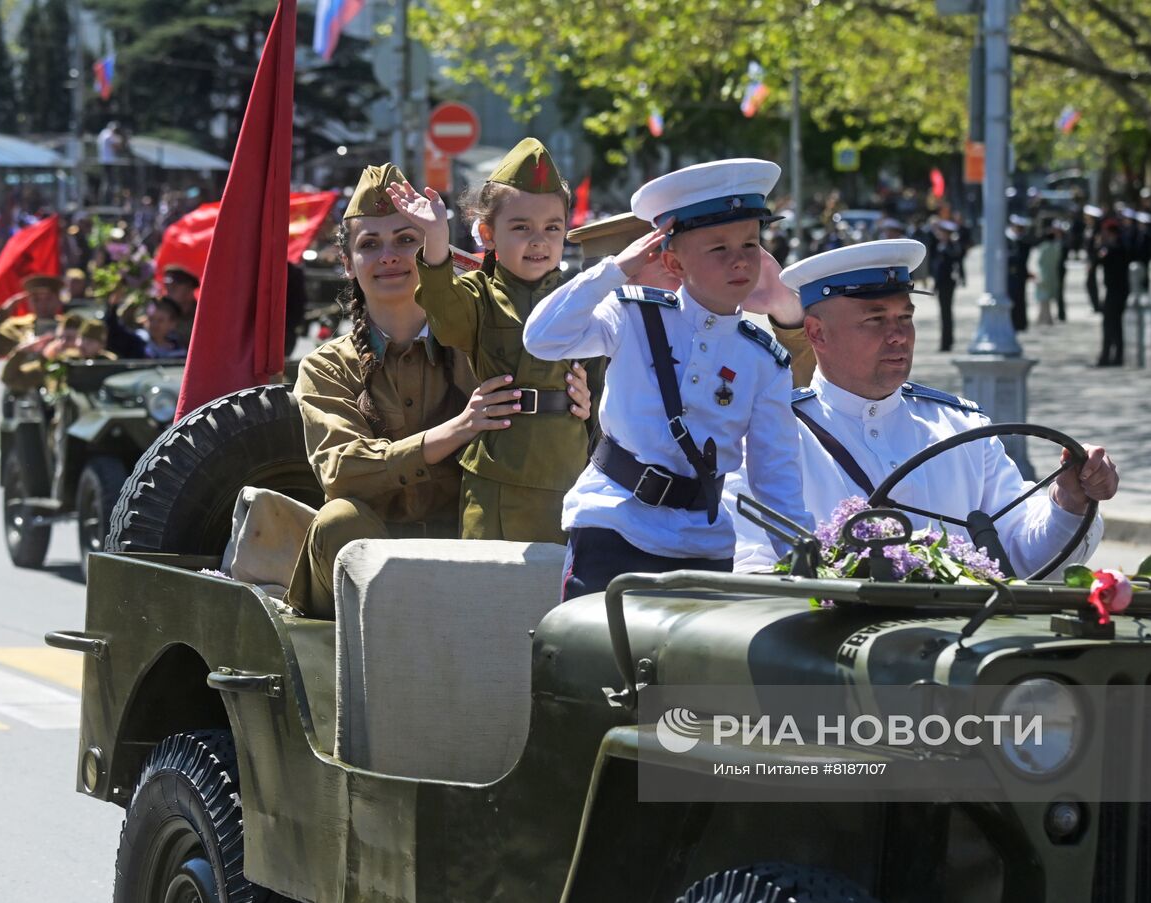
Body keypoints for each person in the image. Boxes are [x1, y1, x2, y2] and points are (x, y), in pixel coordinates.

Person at [284, 163, 592, 619]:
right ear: (348, 264)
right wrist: (457, 430)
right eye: (370, 245)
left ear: (431, 247)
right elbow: (343, 472)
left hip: (472, 539)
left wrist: (577, 403)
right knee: (337, 520)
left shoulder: (481, 341)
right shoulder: (328, 367)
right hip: (375, 558)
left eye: (407, 240)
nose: (390, 256)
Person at [732, 239, 1116, 578]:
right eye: (875, 319)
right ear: (816, 332)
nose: (898, 335)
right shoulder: (770, 438)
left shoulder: (960, 429)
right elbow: (752, 567)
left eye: (905, 317)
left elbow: (1027, 557)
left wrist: (1070, 500)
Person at [524, 158, 812, 600]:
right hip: (613, 523)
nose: (740, 260)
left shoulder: (764, 362)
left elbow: (776, 479)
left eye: (751, 245)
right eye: (718, 248)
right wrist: (614, 270)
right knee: (595, 663)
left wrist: (808, 566)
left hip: (704, 541)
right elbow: (542, 339)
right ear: (674, 263)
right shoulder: (632, 315)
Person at [388, 138, 600, 544]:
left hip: (569, 472)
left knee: (560, 594)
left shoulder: (581, 299)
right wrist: (435, 239)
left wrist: (592, 403)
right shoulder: (480, 294)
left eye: (552, 228)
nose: (538, 240)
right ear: (488, 234)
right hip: (497, 475)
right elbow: (447, 321)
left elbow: (608, 388)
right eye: (521, 227)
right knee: (490, 593)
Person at [0, 273, 66, 361]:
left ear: (59, 300)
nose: (42, 304)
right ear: (28, 301)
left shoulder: (71, 325)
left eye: (48, 299)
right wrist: (3, 313)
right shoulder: (15, 328)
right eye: (36, 299)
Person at [1095, 218, 1131, 367]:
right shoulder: (1114, 247)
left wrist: (1100, 246)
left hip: (1116, 291)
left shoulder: (1115, 248)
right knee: (1111, 324)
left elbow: (1100, 259)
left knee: (1112, 324)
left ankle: (1113, 356)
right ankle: (1110, 355)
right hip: (1114, 290)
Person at [927, 219, 963, 351]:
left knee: (946, 313)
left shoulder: (950, 247)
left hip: (947, 283)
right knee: (944, 313)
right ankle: (947, 341)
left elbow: (953, 263)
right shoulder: (941, 245)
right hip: (942, 283)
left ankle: (946, 342)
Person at [1033, 222, 1064, 327]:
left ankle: (1043, 318)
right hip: (1053, 275)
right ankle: (1045, 317)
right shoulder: (1056, 248)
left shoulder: (1043, 248)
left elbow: (1039, 261)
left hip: (1043, 274)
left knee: (1042, 298)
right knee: (1047, 299)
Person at [1006, 214, 1033, 332]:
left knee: (1021, 299)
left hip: (1021, 274)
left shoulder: (1023, 241)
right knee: (1011, 298)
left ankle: (1021, 323)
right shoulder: (1007, 239)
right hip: (1010, 275)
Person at [1082, 204, 1103, 313]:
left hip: (1093, 260)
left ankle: (1097, 305)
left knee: (1090, 282)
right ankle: (1095, 304)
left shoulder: (1097, 231)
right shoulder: (1088, 228)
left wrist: (1091, 262)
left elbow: (1096, 246)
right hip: (1089, 259)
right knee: (1090, 283)